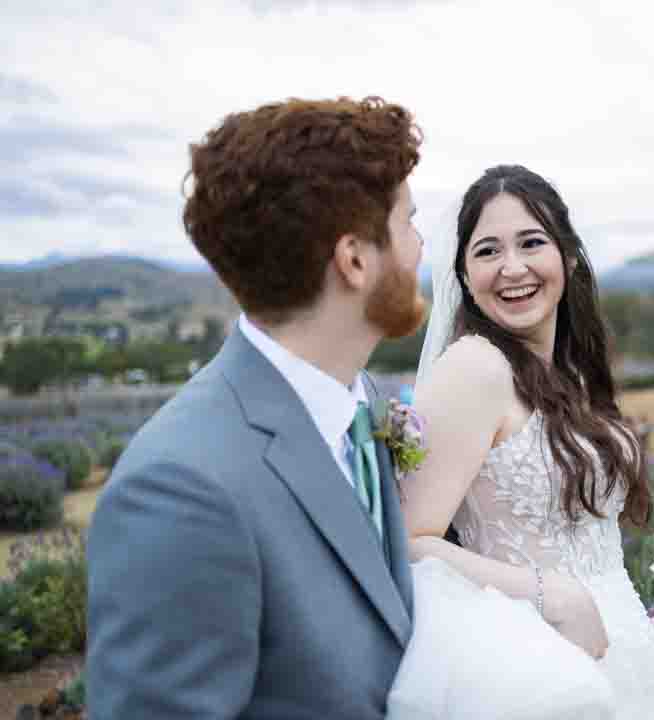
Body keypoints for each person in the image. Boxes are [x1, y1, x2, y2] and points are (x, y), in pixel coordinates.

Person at [86, 97, 429, 719]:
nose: (420, 247)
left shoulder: (364, 405)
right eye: (409, 223)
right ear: (354, 260)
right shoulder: (181, 490)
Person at [389, 165, 654, 719]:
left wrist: (637, 625)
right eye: (487, 251)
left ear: (567, 255)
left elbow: (578, 550)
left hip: (613, 657)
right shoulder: (474, 369)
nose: (512, 268)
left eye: (531, 242)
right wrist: (549, 595)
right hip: (533, 680)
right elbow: (411, 540)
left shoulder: (572, 373)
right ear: (464, 275)